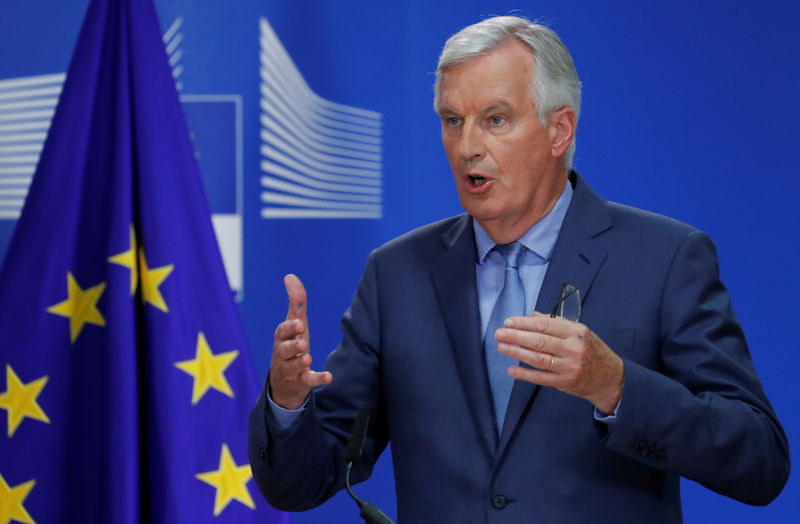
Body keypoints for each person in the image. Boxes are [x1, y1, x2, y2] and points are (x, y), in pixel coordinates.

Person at [249, 15, 789, 523]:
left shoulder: (666, 258)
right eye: (453, 121)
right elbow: (300, 484)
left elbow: (759, 460)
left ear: (559, 131)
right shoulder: (397, 275)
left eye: (495, 120)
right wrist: (289, 402)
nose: (467, 147)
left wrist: (618, 387)